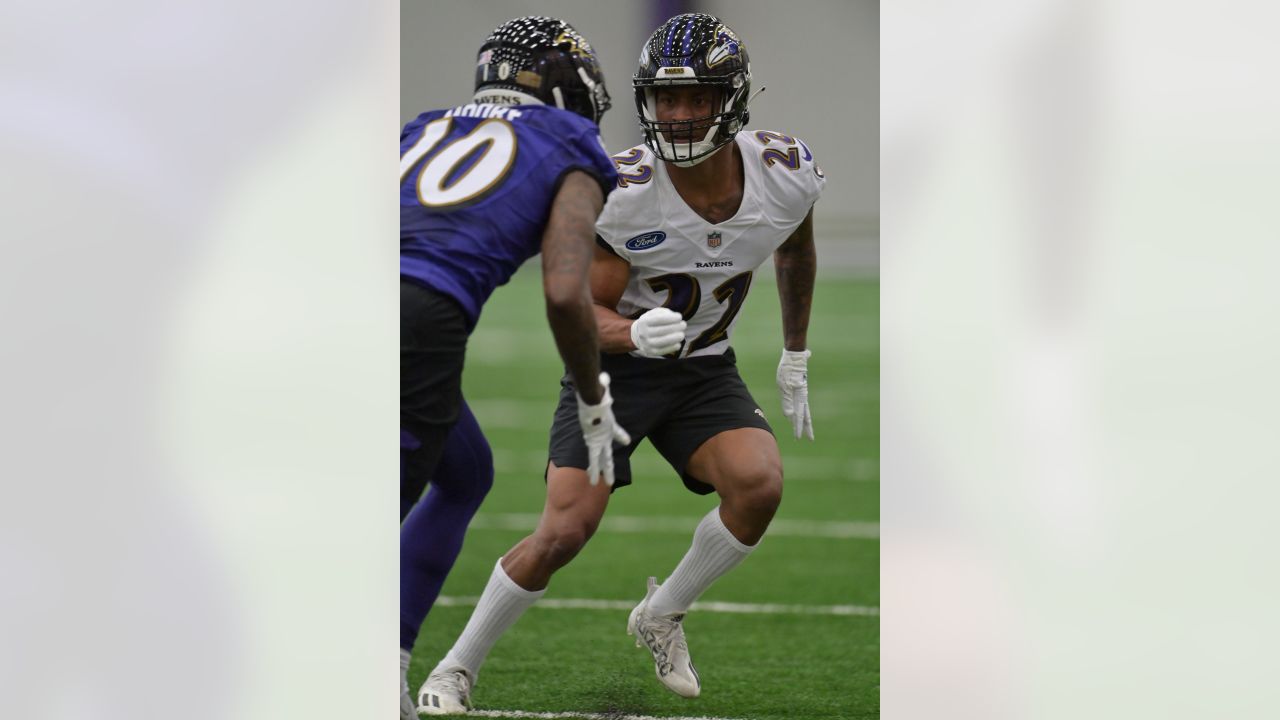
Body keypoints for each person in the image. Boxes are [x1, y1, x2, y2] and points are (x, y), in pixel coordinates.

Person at [417, 12, 824, 714]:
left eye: (697, 96)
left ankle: (660, 614)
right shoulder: (626, 190)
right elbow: (580, 310)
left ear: (733, 97)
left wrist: (795, 351)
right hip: (614, 372)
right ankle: (455, 667)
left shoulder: (785, 173)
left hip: (704, 366)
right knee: (565, 528)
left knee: (759, 484)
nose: (680, 113)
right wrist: (633, 337)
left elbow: (795, 248)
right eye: (666, 98)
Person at [399, 16, 631, 720]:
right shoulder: (571, 141)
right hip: (417, 315)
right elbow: (566, 291)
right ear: (565, 85)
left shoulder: (422, 126)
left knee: (464, 472)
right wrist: (593, 399)